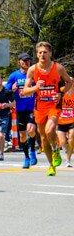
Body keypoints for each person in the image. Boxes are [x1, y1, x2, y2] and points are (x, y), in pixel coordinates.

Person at [22, 42, 74, 175]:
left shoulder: (58, 68)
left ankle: (56, 148)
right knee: (44, 138)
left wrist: (61, 93)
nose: (42, 55)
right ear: (37, 54)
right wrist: (36, 87)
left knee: (49, 129)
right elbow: (25, 91)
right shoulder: (33, 70)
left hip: (53, 105)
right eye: (39, 52)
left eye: (45, 52)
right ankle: (51, 165)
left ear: (50, 53)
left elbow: (69, 82)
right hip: (39, 107)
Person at [7, 52, 39, 168]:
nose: (26, 62)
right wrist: (12, 89)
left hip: (32, 107)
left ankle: (32, 151)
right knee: (22, 136)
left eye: (28, 60)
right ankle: (26, 157)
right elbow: (6, 90)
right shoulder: (14, 75)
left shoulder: (34, 74)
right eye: (24, 60)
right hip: (20, 109)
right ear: (19, 62)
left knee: (31, 130)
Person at [57, 87, 74, 167]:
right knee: (63, 142)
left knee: (71, 138)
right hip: (61, 120)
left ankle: (68, 160)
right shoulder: (61, 91)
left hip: (72, 120)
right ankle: (69, 149)